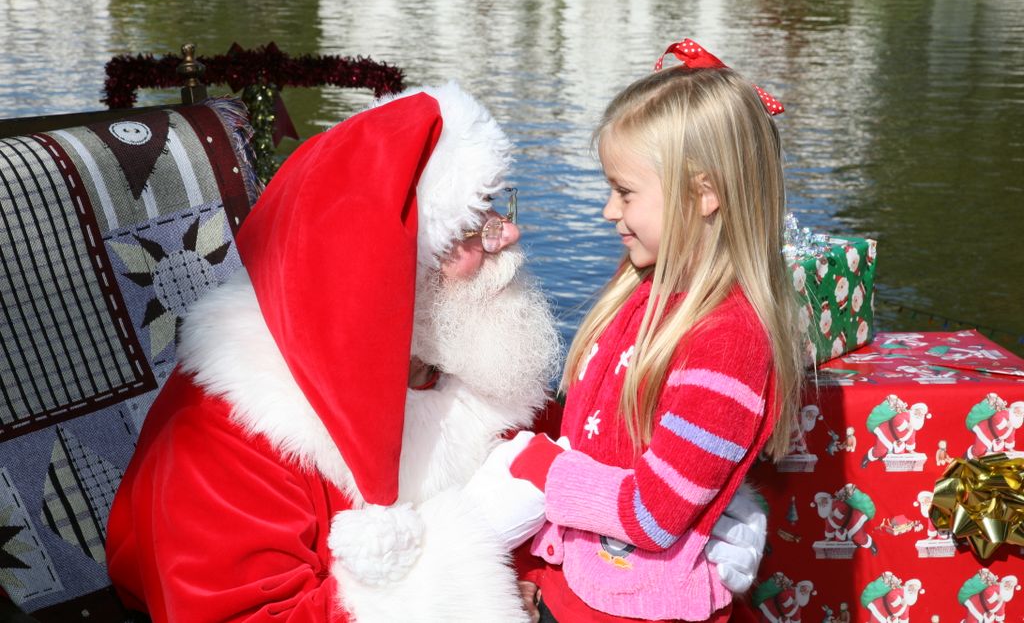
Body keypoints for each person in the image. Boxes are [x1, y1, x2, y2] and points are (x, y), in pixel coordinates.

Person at [104, 81, 766, 622]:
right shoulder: (228, 431)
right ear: (387, 269)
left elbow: (553, 486)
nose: (509, 234)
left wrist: (673, 536)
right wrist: (470, 539)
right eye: (475, 225)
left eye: (497, 208)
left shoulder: (464, 359)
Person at [504, 40, 805, 622]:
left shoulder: (728, 341)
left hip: (641, 608)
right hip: (584, 591)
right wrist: (538, 566)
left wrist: (540, 471)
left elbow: (653, 511)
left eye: (625, 192)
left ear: (705, 193)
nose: (608, 211)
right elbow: (593, 438)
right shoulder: (646, 285)